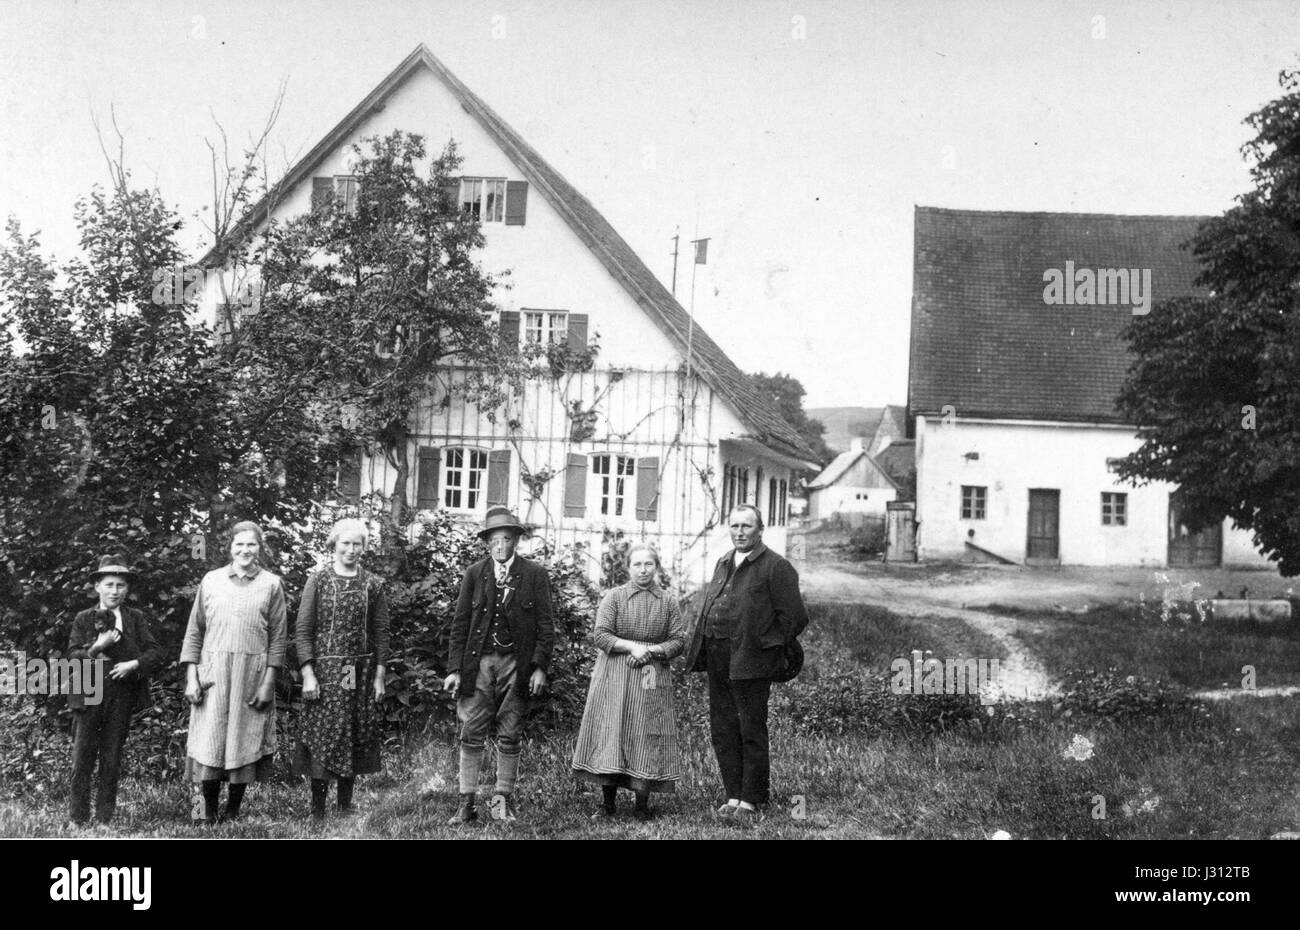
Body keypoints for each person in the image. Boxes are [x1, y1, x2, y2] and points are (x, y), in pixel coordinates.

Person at [682, 503, 809, 826]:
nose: (740, 532)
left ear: (760, 530)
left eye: (747, 527)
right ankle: (733, 795)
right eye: (735, 526)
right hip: (718, 656)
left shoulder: (776, 567)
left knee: (750, 727)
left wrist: (768, 646)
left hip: (752, 661)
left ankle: (752, 798)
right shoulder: (724, 561)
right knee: (723, 727)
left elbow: (795, 617)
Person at [443, 506, 555, 824]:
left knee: (510, 732)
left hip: (516, 666)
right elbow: (460, 625)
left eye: (507, 538)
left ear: (516, 541)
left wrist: (538, 668)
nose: (501, 546)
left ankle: (499, 804)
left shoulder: (534, 575)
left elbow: (546, 628)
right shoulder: (475, 574)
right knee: (471, 731)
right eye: (495, 540)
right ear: (486, 543)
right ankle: (466, 805)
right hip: (478, 664)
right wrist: (454, 670)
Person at [180, 521, 287, 824]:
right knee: (210, 739)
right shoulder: (211, 581)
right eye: (239, 544)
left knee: (245, 738)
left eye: (251, 544)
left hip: (251, 675)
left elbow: (278, 640)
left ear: (260, 548)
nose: (245, 550)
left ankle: (233, 810)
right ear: (229, 547)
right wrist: (191, 677)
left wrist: (268, 682)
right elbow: (193, 633)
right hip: (213, 673)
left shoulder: (271, 584)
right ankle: (209, 810)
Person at [571, 543, 685, 821]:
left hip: (651, 675)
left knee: (646, 731)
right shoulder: (615, 597)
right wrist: (631, 647)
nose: (643, 570)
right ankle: (607, 803)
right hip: (615, 673)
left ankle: (641, 804)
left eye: (649, 564)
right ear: (628, 567)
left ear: (657, 567)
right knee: (613, 730)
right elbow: (601, 635)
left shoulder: (668, 602)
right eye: (637, 564)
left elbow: (679, 640)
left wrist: (653, 651)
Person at [292, 518, 390, 820]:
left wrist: (379, 675)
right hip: (325, 673)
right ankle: (318, 810)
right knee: (325, 735)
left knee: (353, 731)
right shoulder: (318, 579)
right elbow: (303, 628)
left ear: (363, 547)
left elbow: (381, 631)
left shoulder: (373, 584)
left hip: (358, 672)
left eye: (357, 543)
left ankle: (345, 806)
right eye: (345, 543)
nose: (351, 549)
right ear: (333, 545)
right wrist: (308, 672)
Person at [65, 554, 166, 826]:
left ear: (127, 589)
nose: (115, 591)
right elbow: (73, 656)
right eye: (109, 584)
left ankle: (104, 820)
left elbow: (156, 652)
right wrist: (98, 646)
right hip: (89, 692)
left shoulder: (134, 618)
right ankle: (78, 819)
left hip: (121, 693)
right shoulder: (84, 619)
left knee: (111, 759)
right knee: (82, 759)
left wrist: (133, 664)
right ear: (97, 586)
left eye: (121, 585)